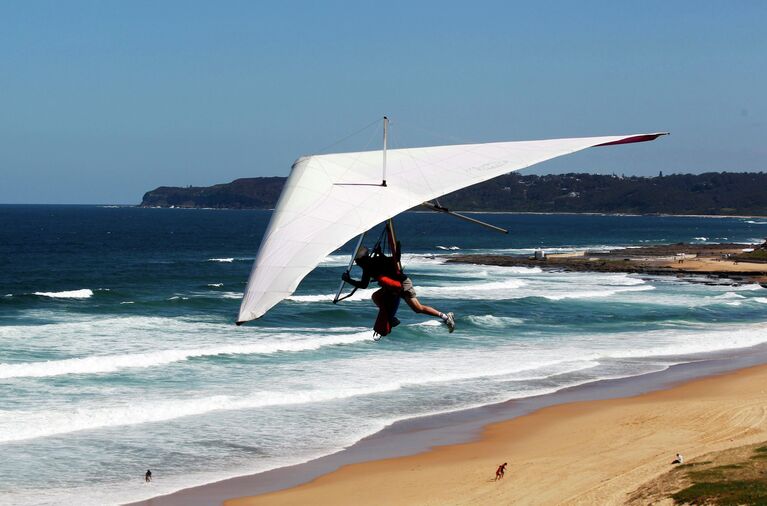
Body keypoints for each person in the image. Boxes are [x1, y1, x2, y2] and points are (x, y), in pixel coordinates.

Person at [342, 246, 455, 332]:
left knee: (417, 308)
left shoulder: (370, 265)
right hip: (392, 287)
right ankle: (390, 317)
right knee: (376, 296)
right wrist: (380, 254)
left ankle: (445, 317)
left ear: (362, 259)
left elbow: (363, 285)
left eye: (357, 261)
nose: (357, 263)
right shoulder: (373, 262)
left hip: (402, 284)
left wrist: (348, 280)